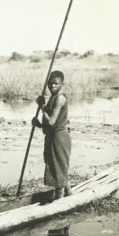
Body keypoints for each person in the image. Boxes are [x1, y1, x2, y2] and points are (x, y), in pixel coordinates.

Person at [32, 70, 72, 200]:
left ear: (62, 84)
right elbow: (48, 125)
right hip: (53, 137)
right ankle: (69, 193)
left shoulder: (60, 98)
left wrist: (42, 106)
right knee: (57, 166)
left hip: (59, 138)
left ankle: (59, 199)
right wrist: (38, 124)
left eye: (56, 84)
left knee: (58, 167)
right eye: (50, 83)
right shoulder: (52, 98)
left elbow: (51, 121)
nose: (52, 86)